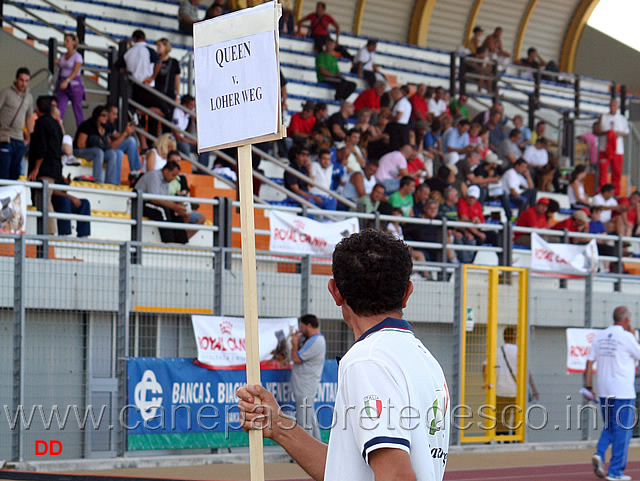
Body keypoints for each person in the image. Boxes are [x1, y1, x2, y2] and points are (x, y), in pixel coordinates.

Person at [237, 229, 450, 481]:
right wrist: (279, 426)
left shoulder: (367, 359)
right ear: (407, 293)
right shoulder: (424, 358)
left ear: (335, 292)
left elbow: (395, 475)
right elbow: (347, 471)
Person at [587, 306, 640, 481]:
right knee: (622, 431)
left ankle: (600, 453)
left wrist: (588, 386)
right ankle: (615, 471)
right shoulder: (627, 337)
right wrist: (634, 335)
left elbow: (589, 362)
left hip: (604, 389)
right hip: (623, 390)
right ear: (626, 320)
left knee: (610, 426)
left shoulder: (600, 336)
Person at [27, 96, 90, 237]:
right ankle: (49, 232)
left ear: (37, 109)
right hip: (55, 167)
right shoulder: (56, 125)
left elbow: (41, 149)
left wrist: (36, 168)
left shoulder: (41, 124)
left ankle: (48, 233)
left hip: (45, 169)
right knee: (46, 199)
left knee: (43, 201)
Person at [483, 326, 538, 437]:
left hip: (500, 390)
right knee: (517, 418)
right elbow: (527, 372)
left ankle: (498, 439)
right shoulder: (519, 352)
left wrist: (487, 383)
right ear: (515, 337)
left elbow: (485, 368)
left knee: (501, 418)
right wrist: (534, 389)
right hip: (517, 391)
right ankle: (514, 439)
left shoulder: (496, 351)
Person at [135, 160, 205, 243]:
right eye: (173, 175)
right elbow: (154, 199)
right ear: (166, 171)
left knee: (175, 213)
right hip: (140, 204)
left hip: (153, 204)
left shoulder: (166, 181)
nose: (174, 178)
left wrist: (177, 206)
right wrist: (174, 206)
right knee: (162, 211)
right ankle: (169, 242)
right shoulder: (153, 176)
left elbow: (164, 200)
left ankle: (181, 242)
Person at [290, 314, 326, 440]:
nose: (300, 330)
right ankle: (318, 449)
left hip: (305, 387)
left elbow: (296, 358)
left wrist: (294, 344)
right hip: (305, 386)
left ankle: (305, 454)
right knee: (309, 418)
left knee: (303, 421)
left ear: (309, 326)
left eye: (302, 327)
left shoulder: (316, 341)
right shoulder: (313, 340)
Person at [73, 105, 121, 185]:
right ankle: (98, 181)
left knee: (112, 154)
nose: (106, 117)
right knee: (98, 152)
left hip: (98, 153)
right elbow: (80, 145)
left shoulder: (105, 128)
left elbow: (108, 145)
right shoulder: (87, 125)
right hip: (79, 151)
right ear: (97, 115)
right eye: (103, 115)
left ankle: (110, 183)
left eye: (107, 116)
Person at [0, 67, 33, 180]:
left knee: (15, 172)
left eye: (26, 81)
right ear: (16, 79)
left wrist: (29, 135)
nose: (24, 83)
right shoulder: (6, 92)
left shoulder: (29, 97)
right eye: (21, 80)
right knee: (4, 171)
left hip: (19, 138)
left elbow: (29, 116)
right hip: (5, 136)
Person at [595, 99, 629, 195]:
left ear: (617, 106)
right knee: (603, 172)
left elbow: (626, 133)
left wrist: (619, 134)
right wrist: (607, 133)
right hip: (604, 148)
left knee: (617, 173)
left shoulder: (622, 119)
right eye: (611, 105)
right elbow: (596, 130)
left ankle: (615, 193)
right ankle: (602, 191)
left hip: (618, 150)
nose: (612, 107)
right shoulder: (603, 117)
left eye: (614, 105)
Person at [105, 103, 143, 180]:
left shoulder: (109, 125)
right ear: (107, 113)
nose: (116, 117)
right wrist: (125, 133)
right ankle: (134, 170)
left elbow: (119, 137)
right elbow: (111, 146)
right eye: (114, 114)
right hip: (105, 152)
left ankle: (135, 171)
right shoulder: (103, 124)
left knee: (129, 142)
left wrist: (129, 131)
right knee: (130, 141)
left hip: (111, 151)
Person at [55, 33, 85, 125]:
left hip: (73, 83)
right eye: (65, 40)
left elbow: (75, 71)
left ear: (73, 42)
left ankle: (82, 130)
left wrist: (67, 81)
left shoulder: (77, 56)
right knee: (60, 107)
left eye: (68, 40)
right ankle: (58, 127)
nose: (65, 43)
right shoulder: (64, 56)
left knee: (77, 109)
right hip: (63, 82)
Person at [155, 38, 181, 119]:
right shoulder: (155, 61)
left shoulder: (174, 62)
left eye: (159, 46)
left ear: (166, 47)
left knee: (168, 119)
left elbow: (177, 79)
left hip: (169, 94)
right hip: (156, 93)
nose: (157, 48)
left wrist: (178, 95)